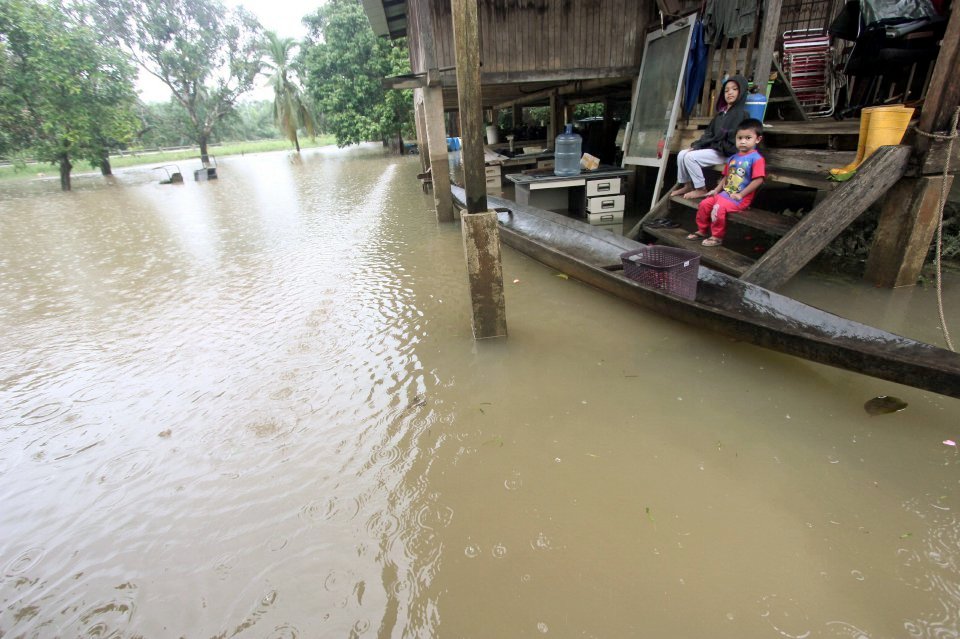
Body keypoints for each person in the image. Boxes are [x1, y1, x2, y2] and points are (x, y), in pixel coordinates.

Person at [685, 118, 765, 247]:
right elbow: (725, 177)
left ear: (757, 139)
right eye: (740, 138)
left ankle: (717, 236)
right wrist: (715, 190)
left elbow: (759, 180)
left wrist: (741, 194)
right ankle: (702, 230)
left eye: (748, 138)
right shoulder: (733, 158)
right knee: (704, 204)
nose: (743, 141)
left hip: (740, 199)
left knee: (718, 208)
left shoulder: (756, 159)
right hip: (724, 195)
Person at [670, 74, 750, 200]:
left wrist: (711, 145)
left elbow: (732, 144)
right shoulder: (721, 115)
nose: (730, 93)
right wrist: (697, 146)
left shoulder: (741, 115)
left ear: (742, 92)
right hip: (715, 149)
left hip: (726, 153)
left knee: (690, 158)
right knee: (682, 154)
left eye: (734, 89)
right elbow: (709, 134)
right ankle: (687, 184)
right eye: (727, 90)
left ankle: (701, 189)